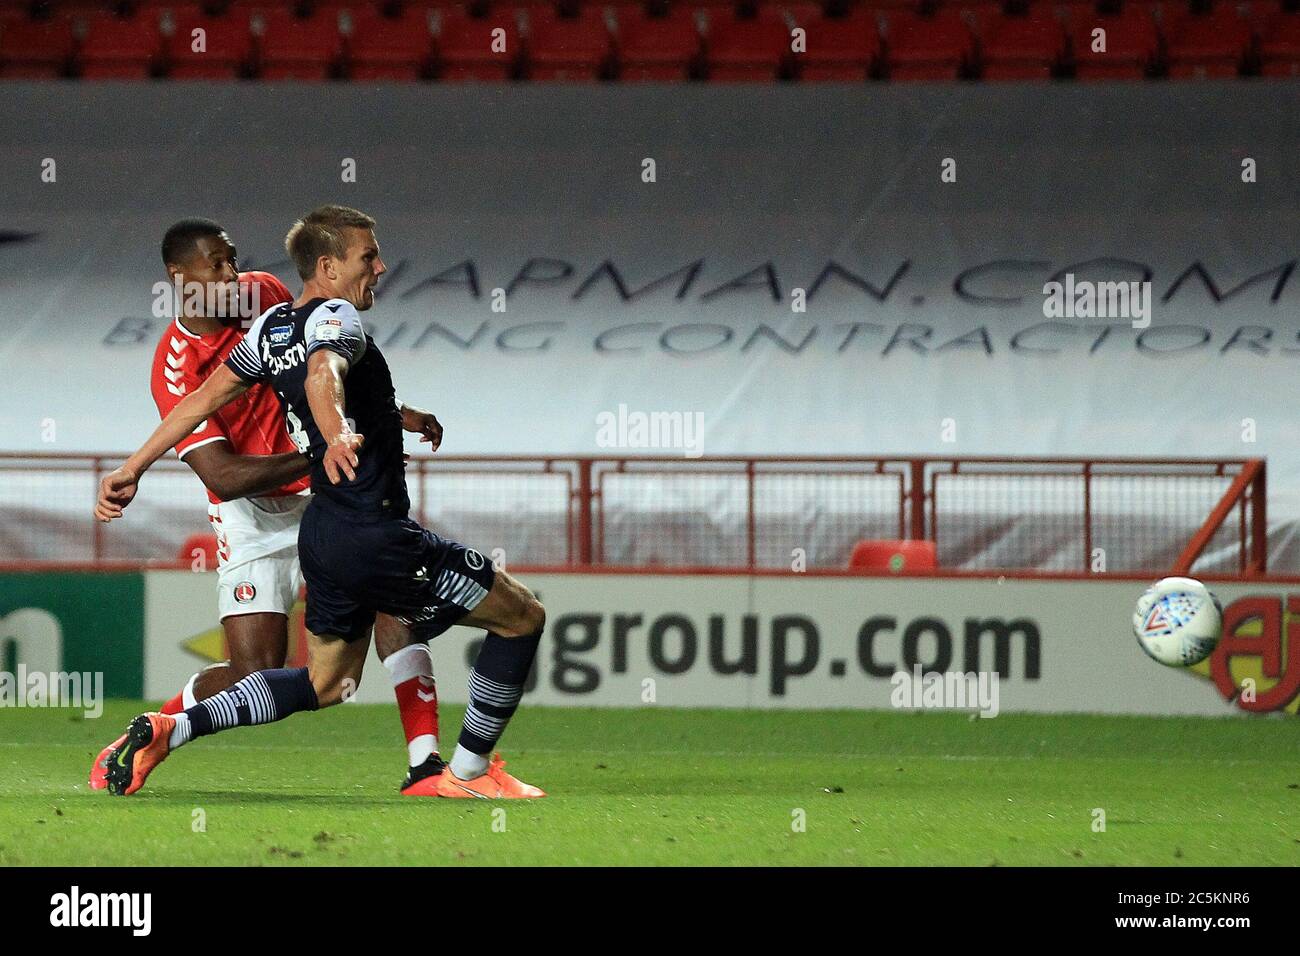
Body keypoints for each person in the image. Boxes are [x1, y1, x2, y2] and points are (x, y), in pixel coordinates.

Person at [95, 205, 545, 799]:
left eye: (233, 260)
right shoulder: (191, 357)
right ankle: (464, 774)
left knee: (329, 679)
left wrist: (387, 416)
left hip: (322, 513)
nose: (233, 274)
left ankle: (421, 766)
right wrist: (332, 437)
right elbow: (309, 385)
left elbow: (297, 375)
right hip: (277, 509)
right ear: (179, 279)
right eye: (216, 265)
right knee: (520, 617)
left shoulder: (267, 310)